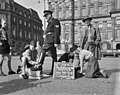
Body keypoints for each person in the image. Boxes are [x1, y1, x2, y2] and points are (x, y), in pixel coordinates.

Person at [38, 10, 61, 75]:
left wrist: (56, 42)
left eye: (46, 16)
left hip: (51, 41)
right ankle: (54, 70)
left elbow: (57, 32)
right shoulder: (49, 23)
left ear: (50, 15)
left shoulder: (55, 21)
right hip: (49, 40)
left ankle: (39, 65)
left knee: (42, 51)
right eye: (45, 16)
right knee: (54, 56)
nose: (45, 17)